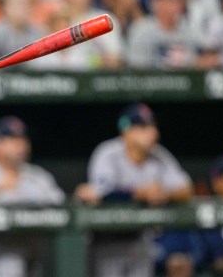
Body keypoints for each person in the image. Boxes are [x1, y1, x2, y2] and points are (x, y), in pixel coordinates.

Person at [74, 103, 194, 277]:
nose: (152, 133)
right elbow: (100, 194)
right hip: (108, 238)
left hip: (141, 238)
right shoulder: (108, 153)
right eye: (143, 127)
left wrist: (165, 194)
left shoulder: (159, 154)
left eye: (152, 126)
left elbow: (186, 188)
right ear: (126, 131)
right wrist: (141, 193)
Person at [0, 115, 65, 277]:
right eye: (12, 139)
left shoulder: (39, 177)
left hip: (31, 250)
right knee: (10, 264)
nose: (20, 145)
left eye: (23, 139)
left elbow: (64, 209)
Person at [127, 0, 218, 69]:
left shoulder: (187, 28)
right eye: (164, 0)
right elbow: (137, 67)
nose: (171, 4)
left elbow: (206, 51)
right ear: (154, 2)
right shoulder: (142, 29)